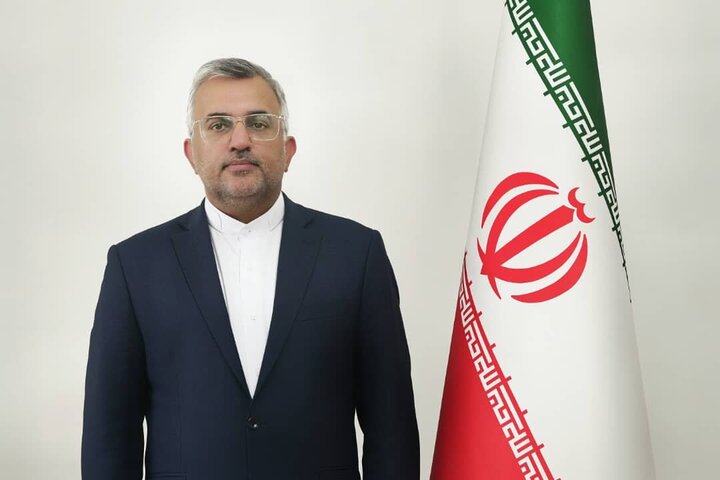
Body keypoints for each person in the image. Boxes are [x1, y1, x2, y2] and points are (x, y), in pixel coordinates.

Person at [81, 58, 420, 480]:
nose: (240, 140)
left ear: (287, 149)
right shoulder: (135, 265)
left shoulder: (356, 253)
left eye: (259, 123)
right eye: (218, 125)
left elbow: (392, 428)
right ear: (191, 153)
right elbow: (109, 436)